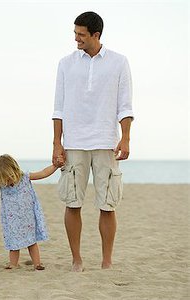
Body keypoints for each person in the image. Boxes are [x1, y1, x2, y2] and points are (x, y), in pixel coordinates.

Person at [52, 11, 134, 272]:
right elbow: (58, 108)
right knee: (72, 202)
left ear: (96, 35)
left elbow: (125, 106)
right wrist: (57, 142)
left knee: (107, 205)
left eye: (81, 34)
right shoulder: (65, 64)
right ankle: (76, 259)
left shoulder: (119, 63)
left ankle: (106, 261)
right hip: (74, 142)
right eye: (75, 33)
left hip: (105, 142)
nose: (76, 38)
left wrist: (125, 138)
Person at [0, 154, 60, 271]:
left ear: (15, 169)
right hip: (12, 219)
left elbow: (43, 173)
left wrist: (55, 166)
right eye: (4, 179)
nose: (8, 180)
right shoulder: (1, 184)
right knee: (14, 243)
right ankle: (13, 264)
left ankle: (37, 263)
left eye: (10, 176)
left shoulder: (25, 177)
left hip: (28, 217)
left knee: (31, 241)